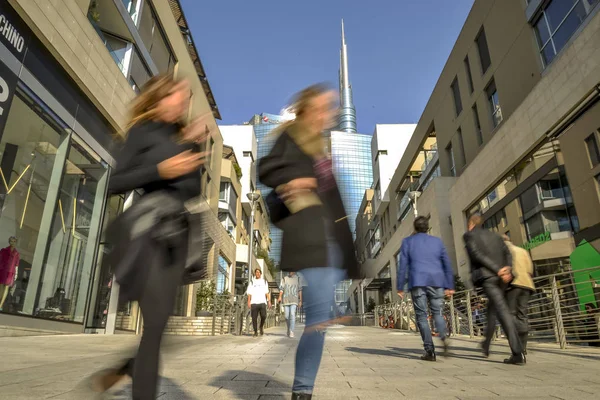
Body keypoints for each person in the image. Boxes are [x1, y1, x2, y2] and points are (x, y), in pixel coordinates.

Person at [92, 74, 210, 399]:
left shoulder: (184, 137)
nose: (184, 101)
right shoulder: (143, 131)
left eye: (187, 97)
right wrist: (161, 170)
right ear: (159, 98)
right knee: (156, 324)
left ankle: (118, 373)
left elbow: (192, 190)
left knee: (159, 327)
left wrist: (191, 145)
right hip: (148, 235)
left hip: (178, 238)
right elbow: (115, 182)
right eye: (178, 95)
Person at [258, 83, 360, 400]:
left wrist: (352, 259)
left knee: (320, 321)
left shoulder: (322, 148)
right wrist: (289, 180)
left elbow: (339, 207)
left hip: (330, 242)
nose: (326, 113)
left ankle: (303, 388)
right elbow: (266, 168)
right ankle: (303, 390)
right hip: (308, 237)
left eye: (329, 108)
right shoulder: (292, 136)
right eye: (321, 107)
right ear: (306, 109)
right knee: (317, 319)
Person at [463, 214, 525, 365]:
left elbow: (477, 255)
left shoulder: (469, 235)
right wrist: (507, 269)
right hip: (502, 279)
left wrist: (498, 270)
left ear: (471, 224)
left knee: (503, 311)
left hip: (488, 278)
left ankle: (518, 353)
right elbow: (507, 254)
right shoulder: (496, 236)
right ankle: (486, 344)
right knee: (492, 309)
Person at [396, 216, 455, 361]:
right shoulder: (437, 241)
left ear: (415, 228)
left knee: (422, 316)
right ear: (427, 228)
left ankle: (430, 351)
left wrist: (399, 286)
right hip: (437, 281)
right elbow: (446, 263)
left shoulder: (408, 242)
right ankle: (443, 337)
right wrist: (450, 285)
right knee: (437, 313)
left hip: (418, 281)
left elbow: (402, 265)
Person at [502, 234, 535, 355]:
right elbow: (530, 270)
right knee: (522, 315)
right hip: (526, 285)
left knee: (510, 315)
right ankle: (523, 347)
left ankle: (516, 350)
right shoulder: (522, 250)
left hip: (512, 285)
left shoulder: (502, 251)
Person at [247, 268, 271, 337]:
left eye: (258, 272)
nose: (257, 273)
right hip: (254, 302)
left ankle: (261, 326)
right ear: (255, 273)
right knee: (254, 318)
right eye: (256, 272)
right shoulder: (252, 282)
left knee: (264, 316)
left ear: (260, 273)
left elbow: (267, 292)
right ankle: (255, 332)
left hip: (262, 302)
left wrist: (269, 301)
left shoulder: (264, 281)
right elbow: (249, 293)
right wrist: (249, 301)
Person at [279, 271, 303, 337]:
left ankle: (291, 331)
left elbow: (300, 290)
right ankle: (288, 329)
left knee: (292, 314)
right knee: (286, 316)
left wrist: (300, 300)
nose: (290, 272)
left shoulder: (298, 279)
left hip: (294, 300)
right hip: (286, 300)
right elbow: (281, 289)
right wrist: (279, 297)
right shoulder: (284, 278)